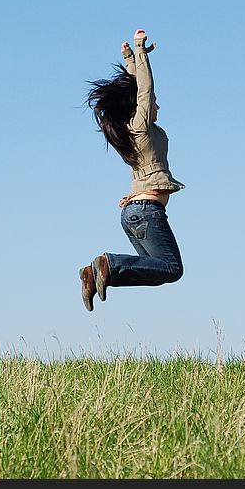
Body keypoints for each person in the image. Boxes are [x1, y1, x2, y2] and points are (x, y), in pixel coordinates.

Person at [80, 29, 185, 311]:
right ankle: (108, 264)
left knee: (155, 272)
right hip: (146, 212)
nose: (157, 105)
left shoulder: (134, 133)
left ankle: (96, 273)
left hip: (135, 211)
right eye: (154, 103)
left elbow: (139, 89)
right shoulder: (139, 128)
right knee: (172, 268)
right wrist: (140, 51)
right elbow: (145, 89)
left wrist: (129, 60)